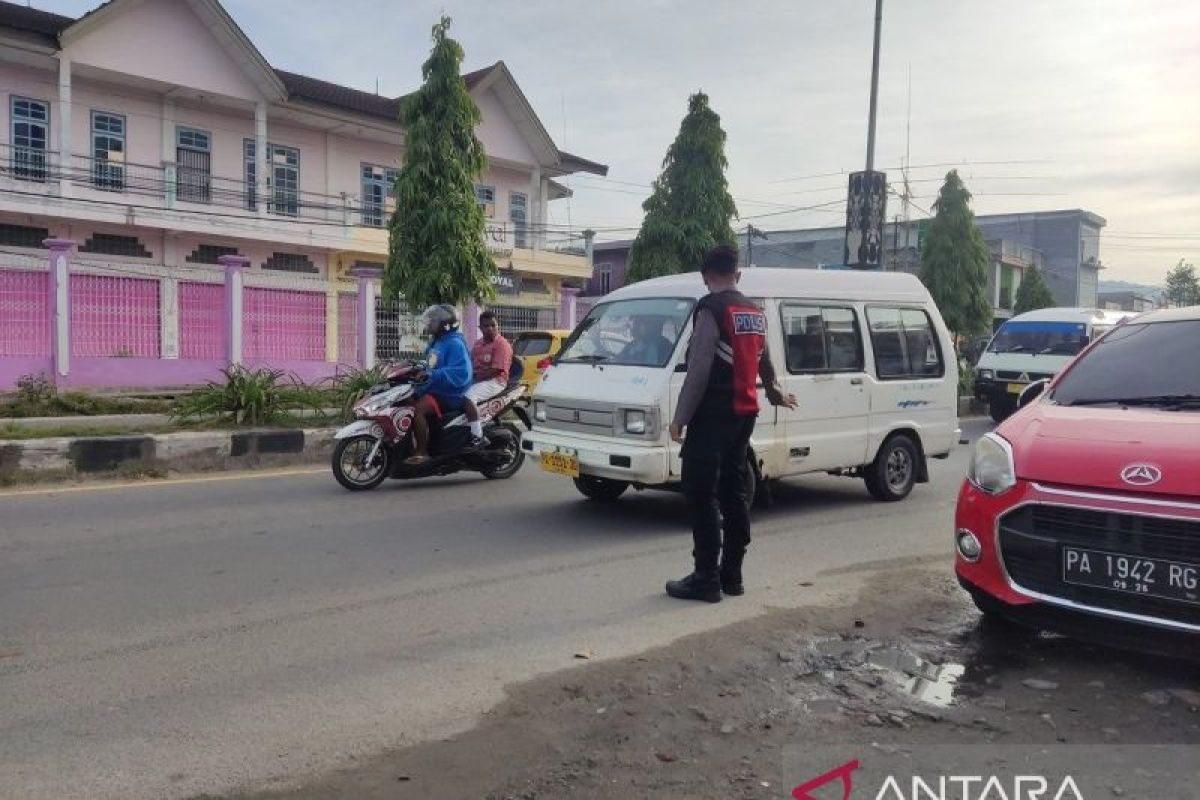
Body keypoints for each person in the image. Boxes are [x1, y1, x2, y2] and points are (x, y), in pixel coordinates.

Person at [665, 244, 797, 603]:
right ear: (736, 275)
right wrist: (773, 393)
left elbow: (699, 369)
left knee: (700, 491)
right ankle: (732, 575)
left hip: (713, 416)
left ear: (706, 277)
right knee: (733, 492)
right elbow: (764, 358)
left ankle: (705, 577)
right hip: (744, 417)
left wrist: (680, 418)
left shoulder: (710, 309)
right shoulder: (753, 311)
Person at [406, 304, 473, 466]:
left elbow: (461, 372)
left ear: (446, 324)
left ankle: (422, 452)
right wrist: (412, 367)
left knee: (418, 409)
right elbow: (428, 363)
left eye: (433, 322)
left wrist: (433, 374)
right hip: (434, 388)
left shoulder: (455, 343)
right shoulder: (437, 342)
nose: (429, 325)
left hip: (451, 393)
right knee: (405, 402)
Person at [462, 311, 513, 445]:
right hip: (478, 379)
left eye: (493, 325)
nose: (490, 328)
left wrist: (473, 379)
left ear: (498, 326)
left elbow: (495, 370)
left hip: (496, 381)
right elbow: (469, 363)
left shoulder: (502, 344)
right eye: (486, 326)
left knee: (469, 396)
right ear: (480, 328)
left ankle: (477, 435)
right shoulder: (478, 344)